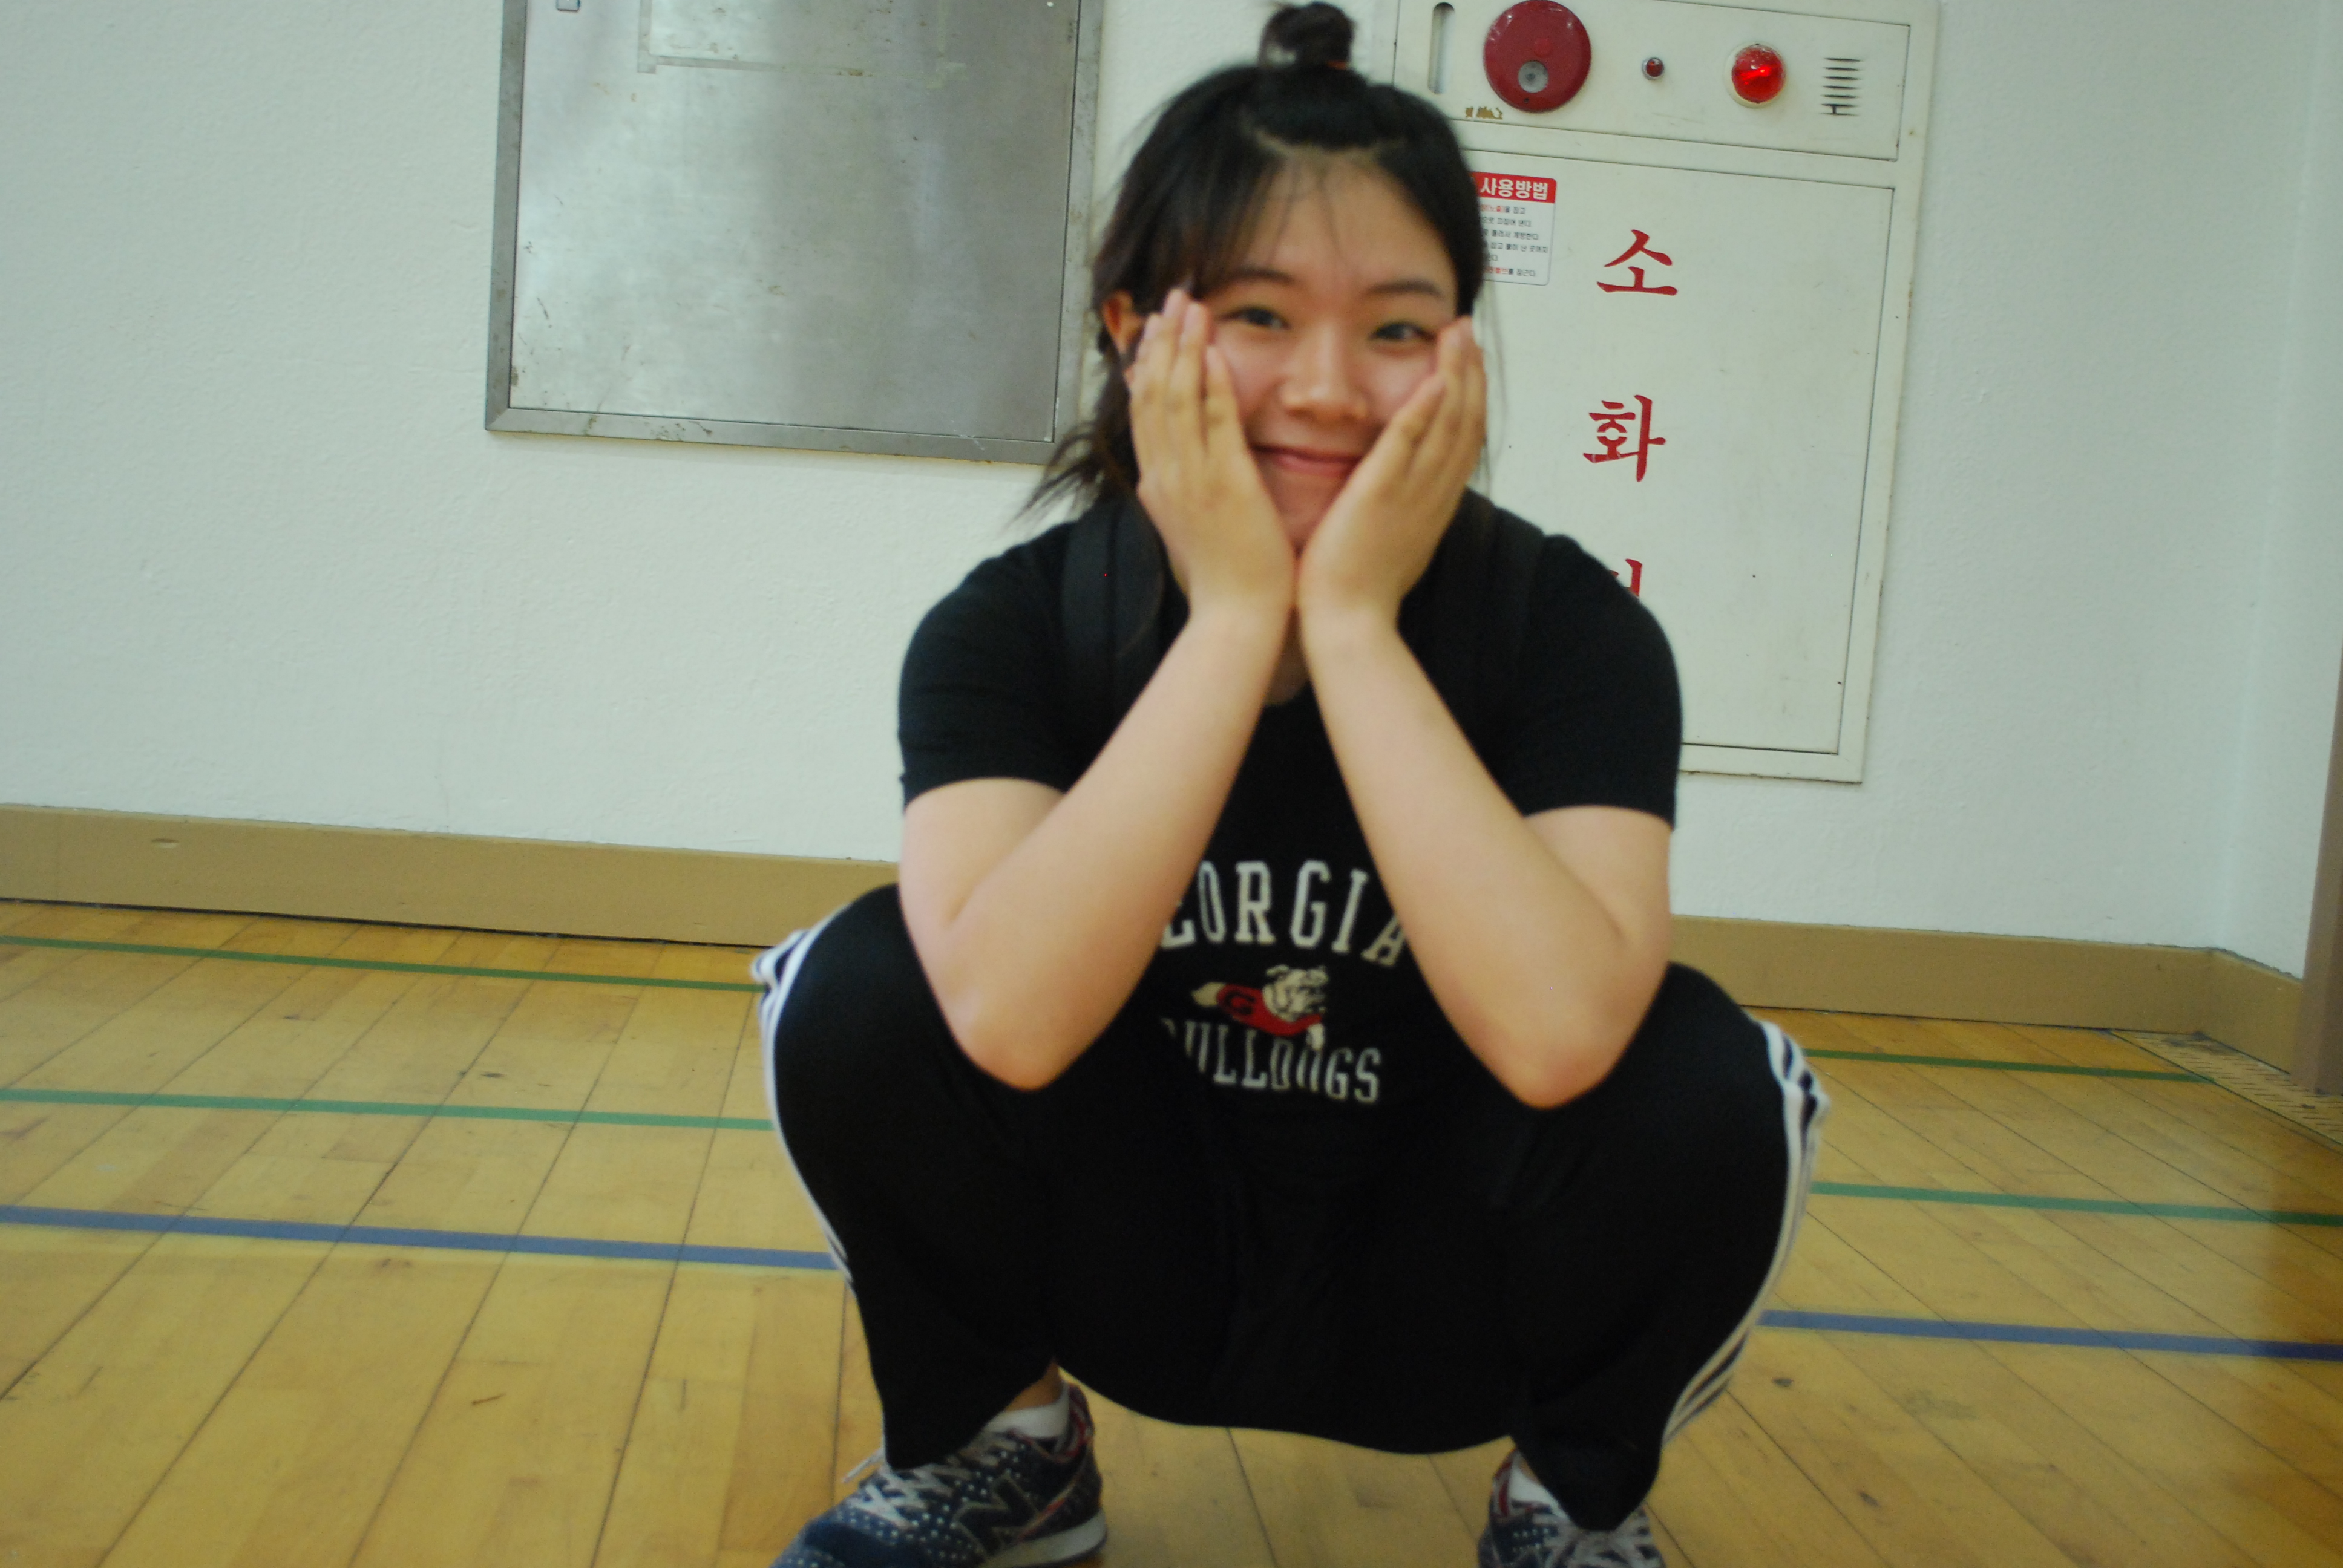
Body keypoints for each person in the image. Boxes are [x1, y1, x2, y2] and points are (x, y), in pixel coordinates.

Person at [755, 7, 1824, 1566]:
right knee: (860, 986)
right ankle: (1007, 1443)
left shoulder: (1568, 630)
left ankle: (1573, 1502)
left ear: (1461, 350)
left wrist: (1355, 631)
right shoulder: (1016, 628)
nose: (1330, 389)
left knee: (1714, 1080)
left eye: (1398, 327)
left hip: (1442, 1290)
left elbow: (1560, 1037)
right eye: (1261, 314)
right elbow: (1004, 1019)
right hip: (1139, 1255)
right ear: (1134, 326)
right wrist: (1237, 621)